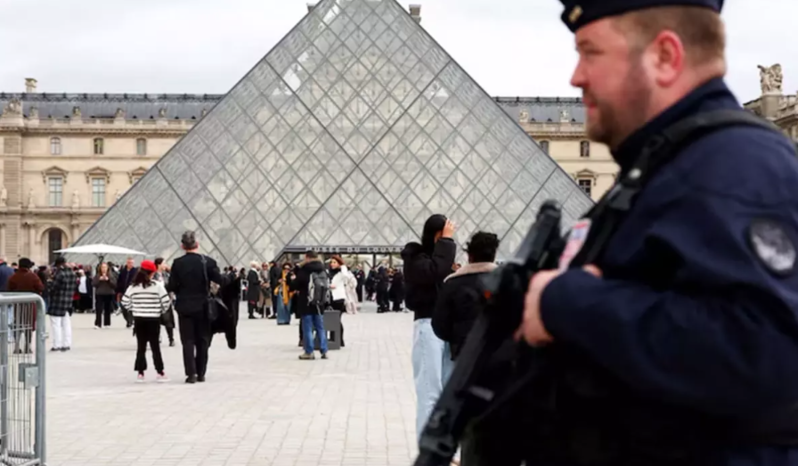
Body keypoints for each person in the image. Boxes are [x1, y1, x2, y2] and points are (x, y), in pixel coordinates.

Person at [511, 1, 798, 465]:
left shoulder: (736, 165)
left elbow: (768, 353)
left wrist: (567, 301)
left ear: (665, 56)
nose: (576, 76)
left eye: (590, 51)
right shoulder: (666, 168)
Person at [401, 214, 456, 442]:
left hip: (446, 328)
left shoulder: (439, 259)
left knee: (445, 392)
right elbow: (433, 271)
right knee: (429, 391)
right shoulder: (415, 257)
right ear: (437, 234)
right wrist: (447, 242)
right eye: (446, 233)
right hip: (428, 326)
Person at [167, 231, 226, 384]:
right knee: (203, 340)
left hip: (185, 307)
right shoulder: (208, 262)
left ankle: (191, 374)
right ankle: (201, 373)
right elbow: (220, 280)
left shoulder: (177, 263)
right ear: (197, 245)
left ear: (182, 246)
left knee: (187, 341)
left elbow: (172, 286)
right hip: (203, 306)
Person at [121, 260, 171, 383]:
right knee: (155, 347)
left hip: (139, 320)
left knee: (141, 347)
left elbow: (124, 302)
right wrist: (159, 310)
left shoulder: (133, 287)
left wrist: (135, 309)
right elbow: (166, 302)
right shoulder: (157, 286)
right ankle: (160, 372)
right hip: (153, 319)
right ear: (151, 273)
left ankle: (140, 372)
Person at [291, 251, 329, 360]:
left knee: (307, 328)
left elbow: (295, 285)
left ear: (307, 257)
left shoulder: (305, 270)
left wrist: (293, 276)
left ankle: (309, 351)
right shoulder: (323, 269)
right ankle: (324, 350)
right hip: (319, 302)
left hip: (306, 302)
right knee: (320, 327)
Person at [7, 258, 44, 354]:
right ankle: (28, 346)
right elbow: (41, 287)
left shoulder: (14, 277)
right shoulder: (33, 276)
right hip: (30, 304)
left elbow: (9, 289)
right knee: (28, 326)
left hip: (18, 304)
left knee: (17, 325)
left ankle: (16, 346)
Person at [48, 256, 77, 352]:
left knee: (56, 324)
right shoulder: (73, 273)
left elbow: (53, 288)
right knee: (66, 324)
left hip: (58, 301)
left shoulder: (59, 274)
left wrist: (49, 283)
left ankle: (57, 345)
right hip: (68, 301)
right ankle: (67, 343)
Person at [92, 262, 117, 329]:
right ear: (100, 268)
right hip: (99, 294)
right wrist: (99, 280)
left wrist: (108, 280)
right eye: (102, 267)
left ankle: (107, 323)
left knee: (107, 309)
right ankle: (98, 323)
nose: (104, 269)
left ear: (107, 268)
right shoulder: (97, 275)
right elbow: (93, 284)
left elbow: (114, 285)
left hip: (109, 293)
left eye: (105, 267)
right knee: (98, 309)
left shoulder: (111, 275)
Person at [116, 257, 138, 328]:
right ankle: (128, 320)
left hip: (132, 292)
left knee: (131, 307)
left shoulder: (135, 271)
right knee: (123, 307)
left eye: (131, 263)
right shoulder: (123, 271)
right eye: (129, 262)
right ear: (126, 263)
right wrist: (118, 291)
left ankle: (130, 321)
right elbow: (119, 281)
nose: (130, 264)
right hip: (123, 292)